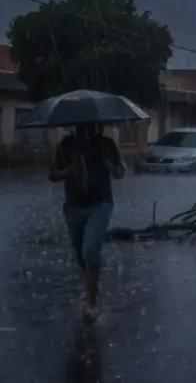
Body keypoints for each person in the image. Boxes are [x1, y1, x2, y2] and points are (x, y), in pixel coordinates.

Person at [49, 123, 126, 320]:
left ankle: (91, 302)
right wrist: (68, 171)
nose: (86, 131)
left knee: (90, 249)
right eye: (82, 126)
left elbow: (120, 171)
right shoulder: (65, 147)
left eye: (90, 126)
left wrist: (112, 167)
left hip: (100, 205)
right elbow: (52, 175)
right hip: (74, 207)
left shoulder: (106, 146)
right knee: (81, 256)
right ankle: (93, 284)